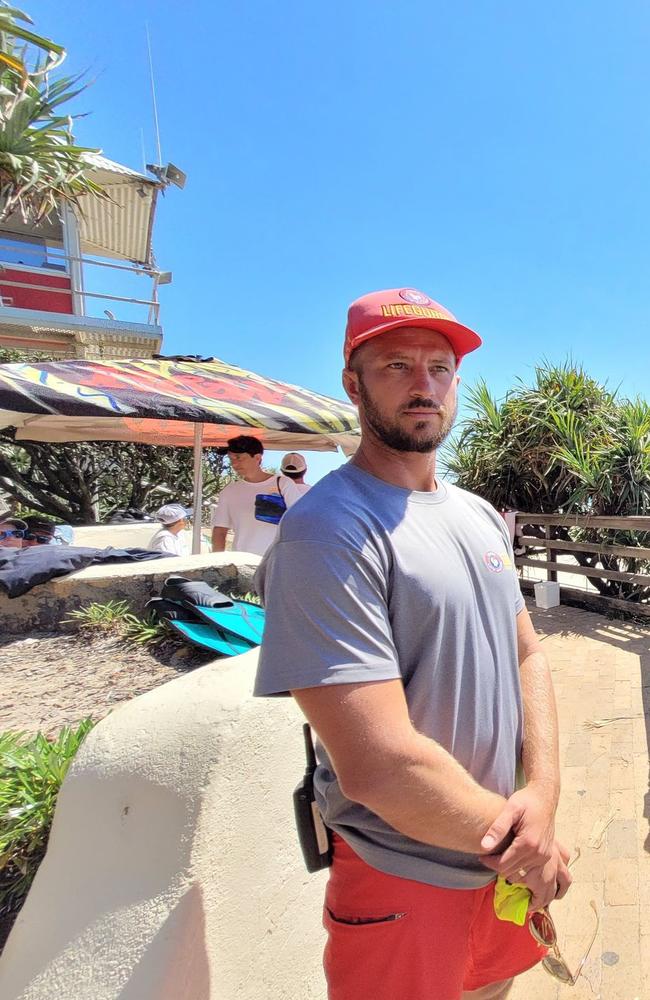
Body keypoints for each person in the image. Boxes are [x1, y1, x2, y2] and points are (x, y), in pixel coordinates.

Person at [254, 287, 569, 1000]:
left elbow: (528, 655)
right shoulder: (326, 532)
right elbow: (378, 766)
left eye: (439, 366)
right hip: (407, 877)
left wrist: (542, 799)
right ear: (353, 383)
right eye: (396, 365)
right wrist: (531, 845)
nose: (424, 384)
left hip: (499, 867)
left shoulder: (479, 515)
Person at [211, 435, 303, 557]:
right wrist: (218, 562)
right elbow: (220, 530)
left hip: (277, 561)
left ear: (257, 457)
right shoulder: (229, 491)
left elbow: (300, 521)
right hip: (242, 562)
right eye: (231, 459)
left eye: (239, 458)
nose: (234, 464)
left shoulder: (283, 484)